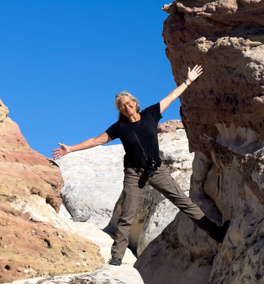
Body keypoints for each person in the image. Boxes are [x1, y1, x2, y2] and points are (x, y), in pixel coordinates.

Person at [52, 65, 230, 266]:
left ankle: (217, 233)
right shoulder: (120, 127)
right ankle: (117, 257)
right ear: (120, 110)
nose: (126, 107)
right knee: (127, 214)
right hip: (134, 174)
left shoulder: (150, 114)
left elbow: (171, 97)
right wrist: (70, 149)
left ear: (135, 103)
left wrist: (188, 81)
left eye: (128, 103)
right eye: (122, 106)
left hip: (156, 170)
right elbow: (96, 140)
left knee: (185, 203)